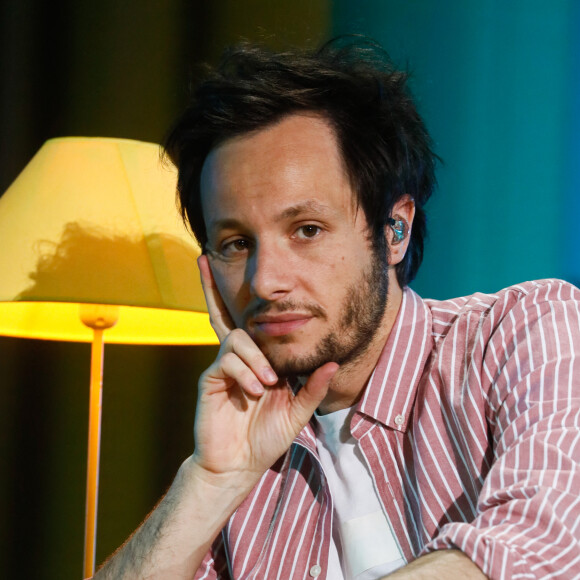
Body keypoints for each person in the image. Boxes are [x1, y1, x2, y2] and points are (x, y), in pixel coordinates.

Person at [95, 40, 580, 580]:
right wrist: (210, 480)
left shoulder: (529, 329)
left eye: (306, 230)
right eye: (235, 243)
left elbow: (544, 545)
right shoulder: (246, 460)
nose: (265, 280)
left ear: (394, 231)